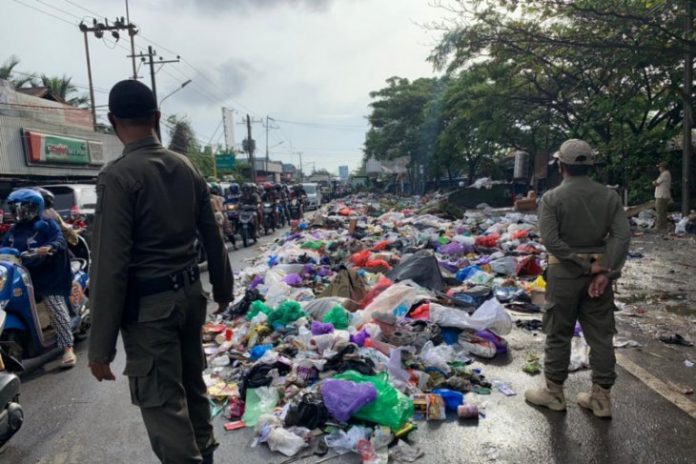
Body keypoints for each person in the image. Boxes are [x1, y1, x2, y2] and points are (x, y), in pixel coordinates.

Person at [88, 80, 233, 464]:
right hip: (190, 298)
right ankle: (207, 456)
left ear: (112, 121)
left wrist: (99, 347)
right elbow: (213, 237)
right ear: (156, 118)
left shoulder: (118, 176)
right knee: (193, 386)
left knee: (163, 401)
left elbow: (109, 265)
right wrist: (222, 289)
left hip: (150, 311)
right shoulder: (185, 167)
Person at [525, 139, 630, 418]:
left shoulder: (552, 198)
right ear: (590, 167)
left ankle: (555, 394)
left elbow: (552, 241)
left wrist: (582, 264)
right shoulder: (610, 197)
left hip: (564, 274)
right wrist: (605, 269)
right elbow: (621, 236)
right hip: (599, 276)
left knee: (559, 333)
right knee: (601, 336)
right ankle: (601, 399)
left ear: (561, 166)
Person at [3, 189, 76, 367]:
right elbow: (4, 246)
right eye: (15, 210)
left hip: (48, 276)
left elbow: (59, 240)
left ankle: (68, 349)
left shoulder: (47, 224)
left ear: (37, 208)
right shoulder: (13, 230)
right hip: (22, 275)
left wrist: (47, 248)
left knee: (54, 305)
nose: (19, 214)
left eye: (24, 209)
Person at [653, 161, 672, 232]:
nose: (659, 169)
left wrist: (653, 182)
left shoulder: (664, 174)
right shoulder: (667, 174)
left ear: (663, 167)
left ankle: (659, 227)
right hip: (664, 195)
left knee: (660, 212)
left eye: (660, 167)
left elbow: (656, 183)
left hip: (661, 195)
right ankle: (663, 227)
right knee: (663, 212)